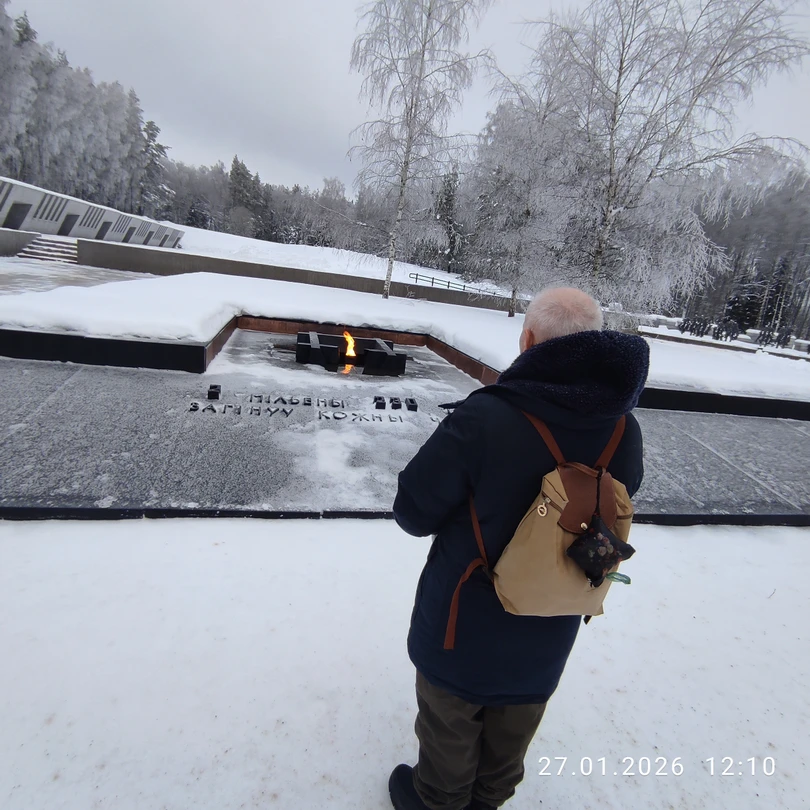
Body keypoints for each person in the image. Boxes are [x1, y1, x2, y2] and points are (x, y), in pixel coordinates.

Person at [388, 287, 649, 810]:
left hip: (464, 615)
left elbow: (413, 512)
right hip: (552, 616)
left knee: (451, 718)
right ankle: (489, 799)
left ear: (528, 340)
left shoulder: (485, 417)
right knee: (516, 722)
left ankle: (437, 798)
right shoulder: (623, 429)